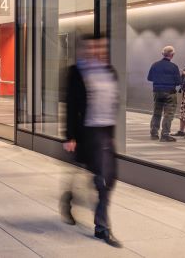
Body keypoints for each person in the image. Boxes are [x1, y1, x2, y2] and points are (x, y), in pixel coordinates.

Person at [61, 36, 122, 248]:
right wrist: (69, 136)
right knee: (101, 179)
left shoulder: (110, 71)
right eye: (94, 46)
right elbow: (70, 105)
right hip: (87, 131)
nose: (98, 50)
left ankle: (71, 198)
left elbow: (113, 103)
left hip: (104, 132)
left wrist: (112, 134)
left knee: (108, 177)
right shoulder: (76, 72)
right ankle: (102, 227)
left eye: (102, 46)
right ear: (86, 49)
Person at [147, 45, 181, 141]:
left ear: (163, 54)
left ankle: (154, 134)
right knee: (168, 114)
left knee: (156, 112)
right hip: (170, 93)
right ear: (172, 55)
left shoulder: (155, 65)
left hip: (157, 92)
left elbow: (149, 78)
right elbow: (178, 82)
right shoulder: (174, 67)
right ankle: (165, 135)